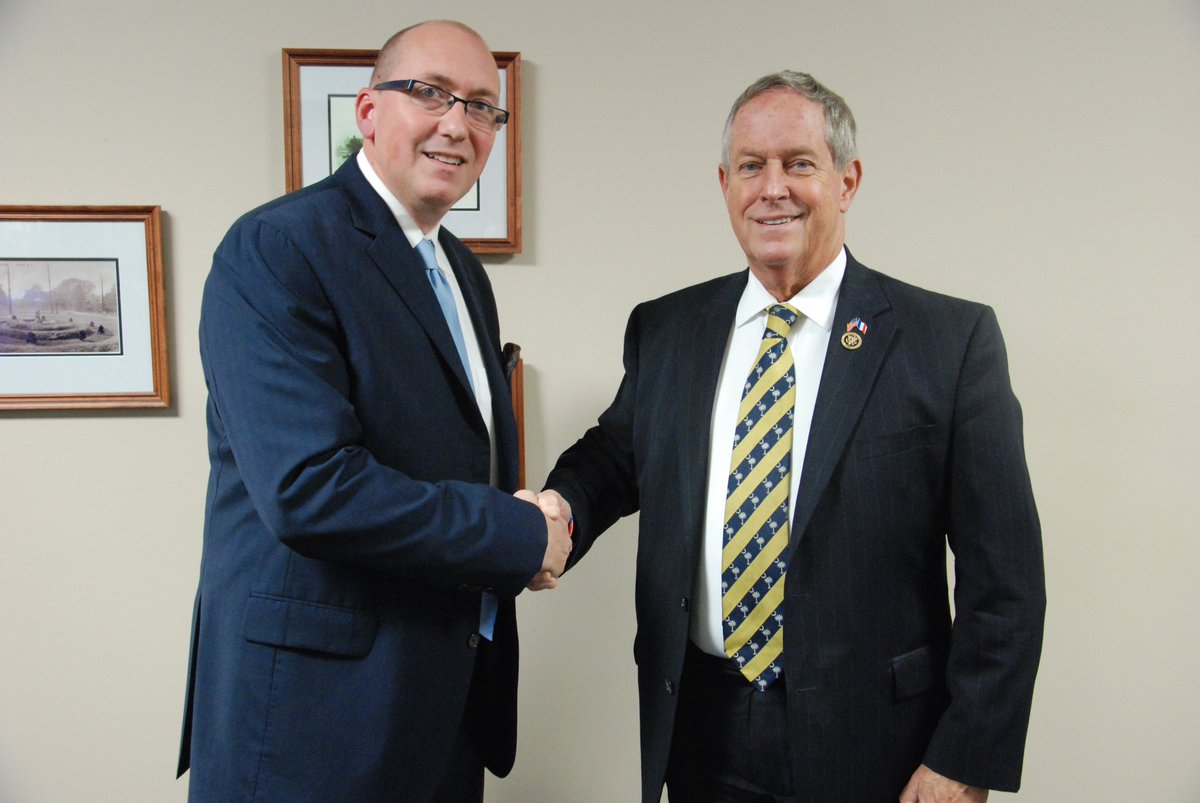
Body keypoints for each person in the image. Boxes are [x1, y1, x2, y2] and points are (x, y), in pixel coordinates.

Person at [538, 71, 1045, 802]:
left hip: (878, 744)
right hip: (701, 731)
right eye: (751, 166)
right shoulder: (669, 329)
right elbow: (616, 458)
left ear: (847, 181)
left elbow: (1006, 583)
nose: (772, 188)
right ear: (725, 185)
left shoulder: (947, 341)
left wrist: (962, 759)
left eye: (798, 163)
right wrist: (556, 513)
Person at [176, 20, 571, 802]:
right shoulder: (277, 247)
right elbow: (309, 487)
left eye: (482, 107)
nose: (457, 124)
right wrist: (521, 534)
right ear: (367, 111)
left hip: (441, 708)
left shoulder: (461, 271)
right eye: (430, 93)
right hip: (311, 729)